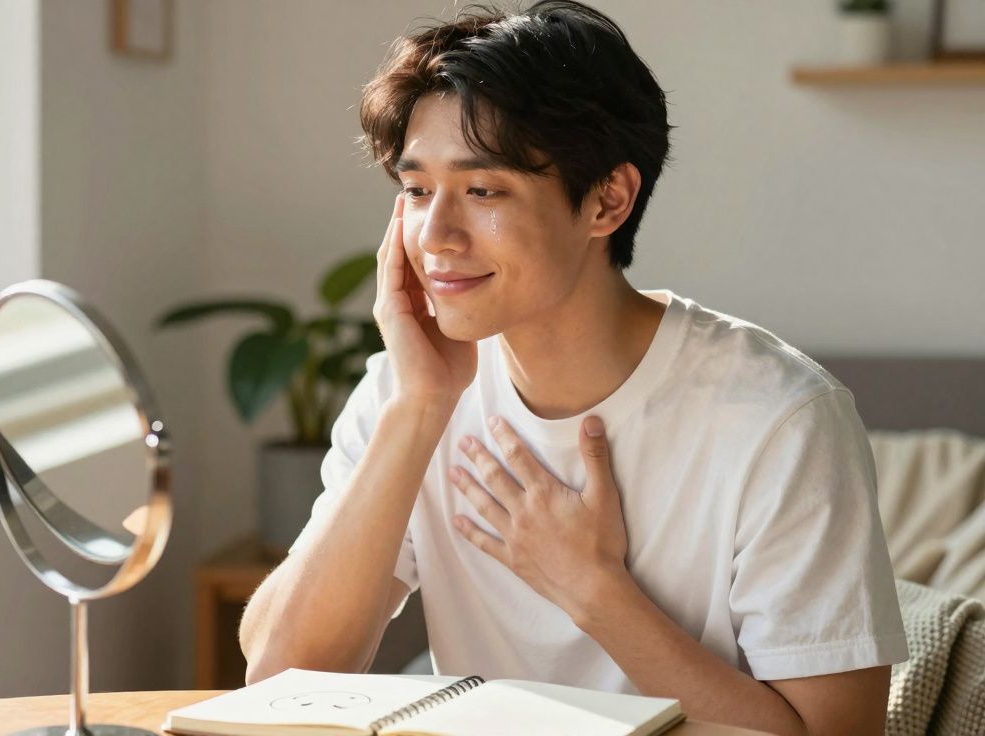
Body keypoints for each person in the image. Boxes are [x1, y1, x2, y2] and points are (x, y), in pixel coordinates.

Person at [237, 2, 908, 733]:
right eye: (417, 190)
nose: (435, 236)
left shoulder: (780, 419)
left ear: (607, 200)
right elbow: (278, 674)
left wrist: (593, 590)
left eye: (483, 190)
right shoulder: (410, 388)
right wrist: (420, 409)